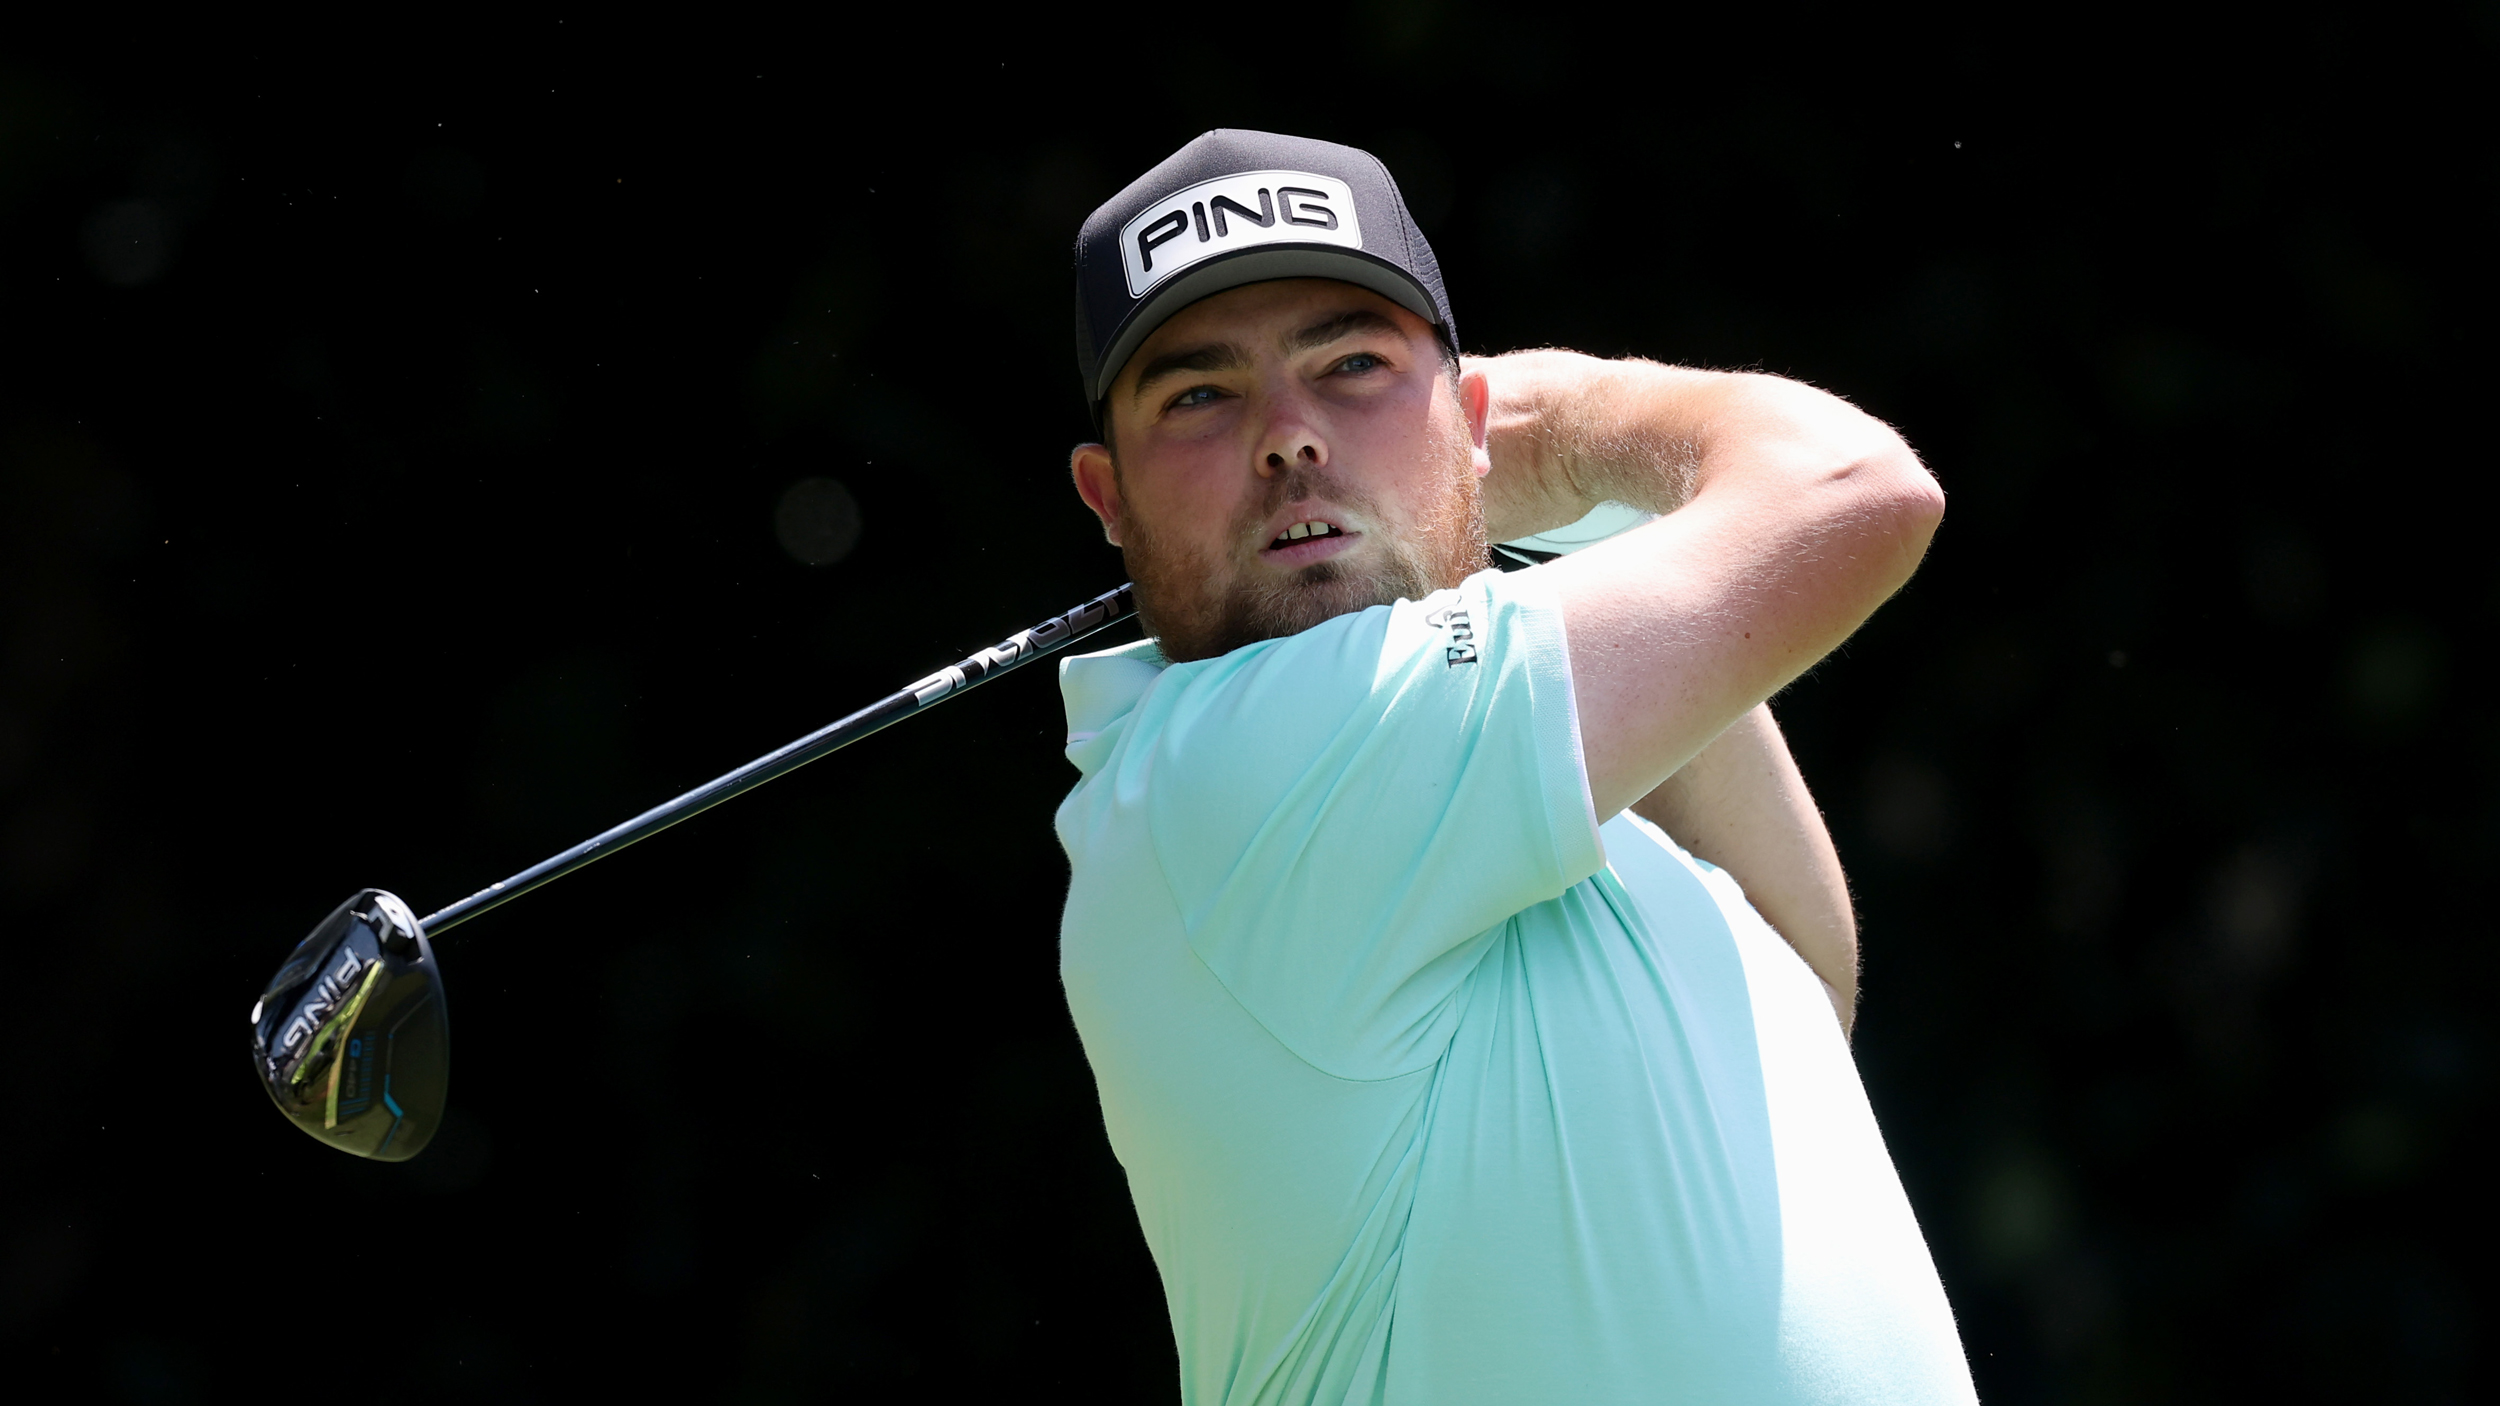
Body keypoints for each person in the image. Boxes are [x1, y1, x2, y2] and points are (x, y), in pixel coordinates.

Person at [1054, 129, 1974, 1405]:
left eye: (1353, 366)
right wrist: (1568, 436)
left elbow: (1793, 976)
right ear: (1107, 497)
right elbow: (1853, 486)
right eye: (1198, 395)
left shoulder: (1499, 776)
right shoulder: (1233, 773)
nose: (1289, 438)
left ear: (1463, 412)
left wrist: (1524, 499)